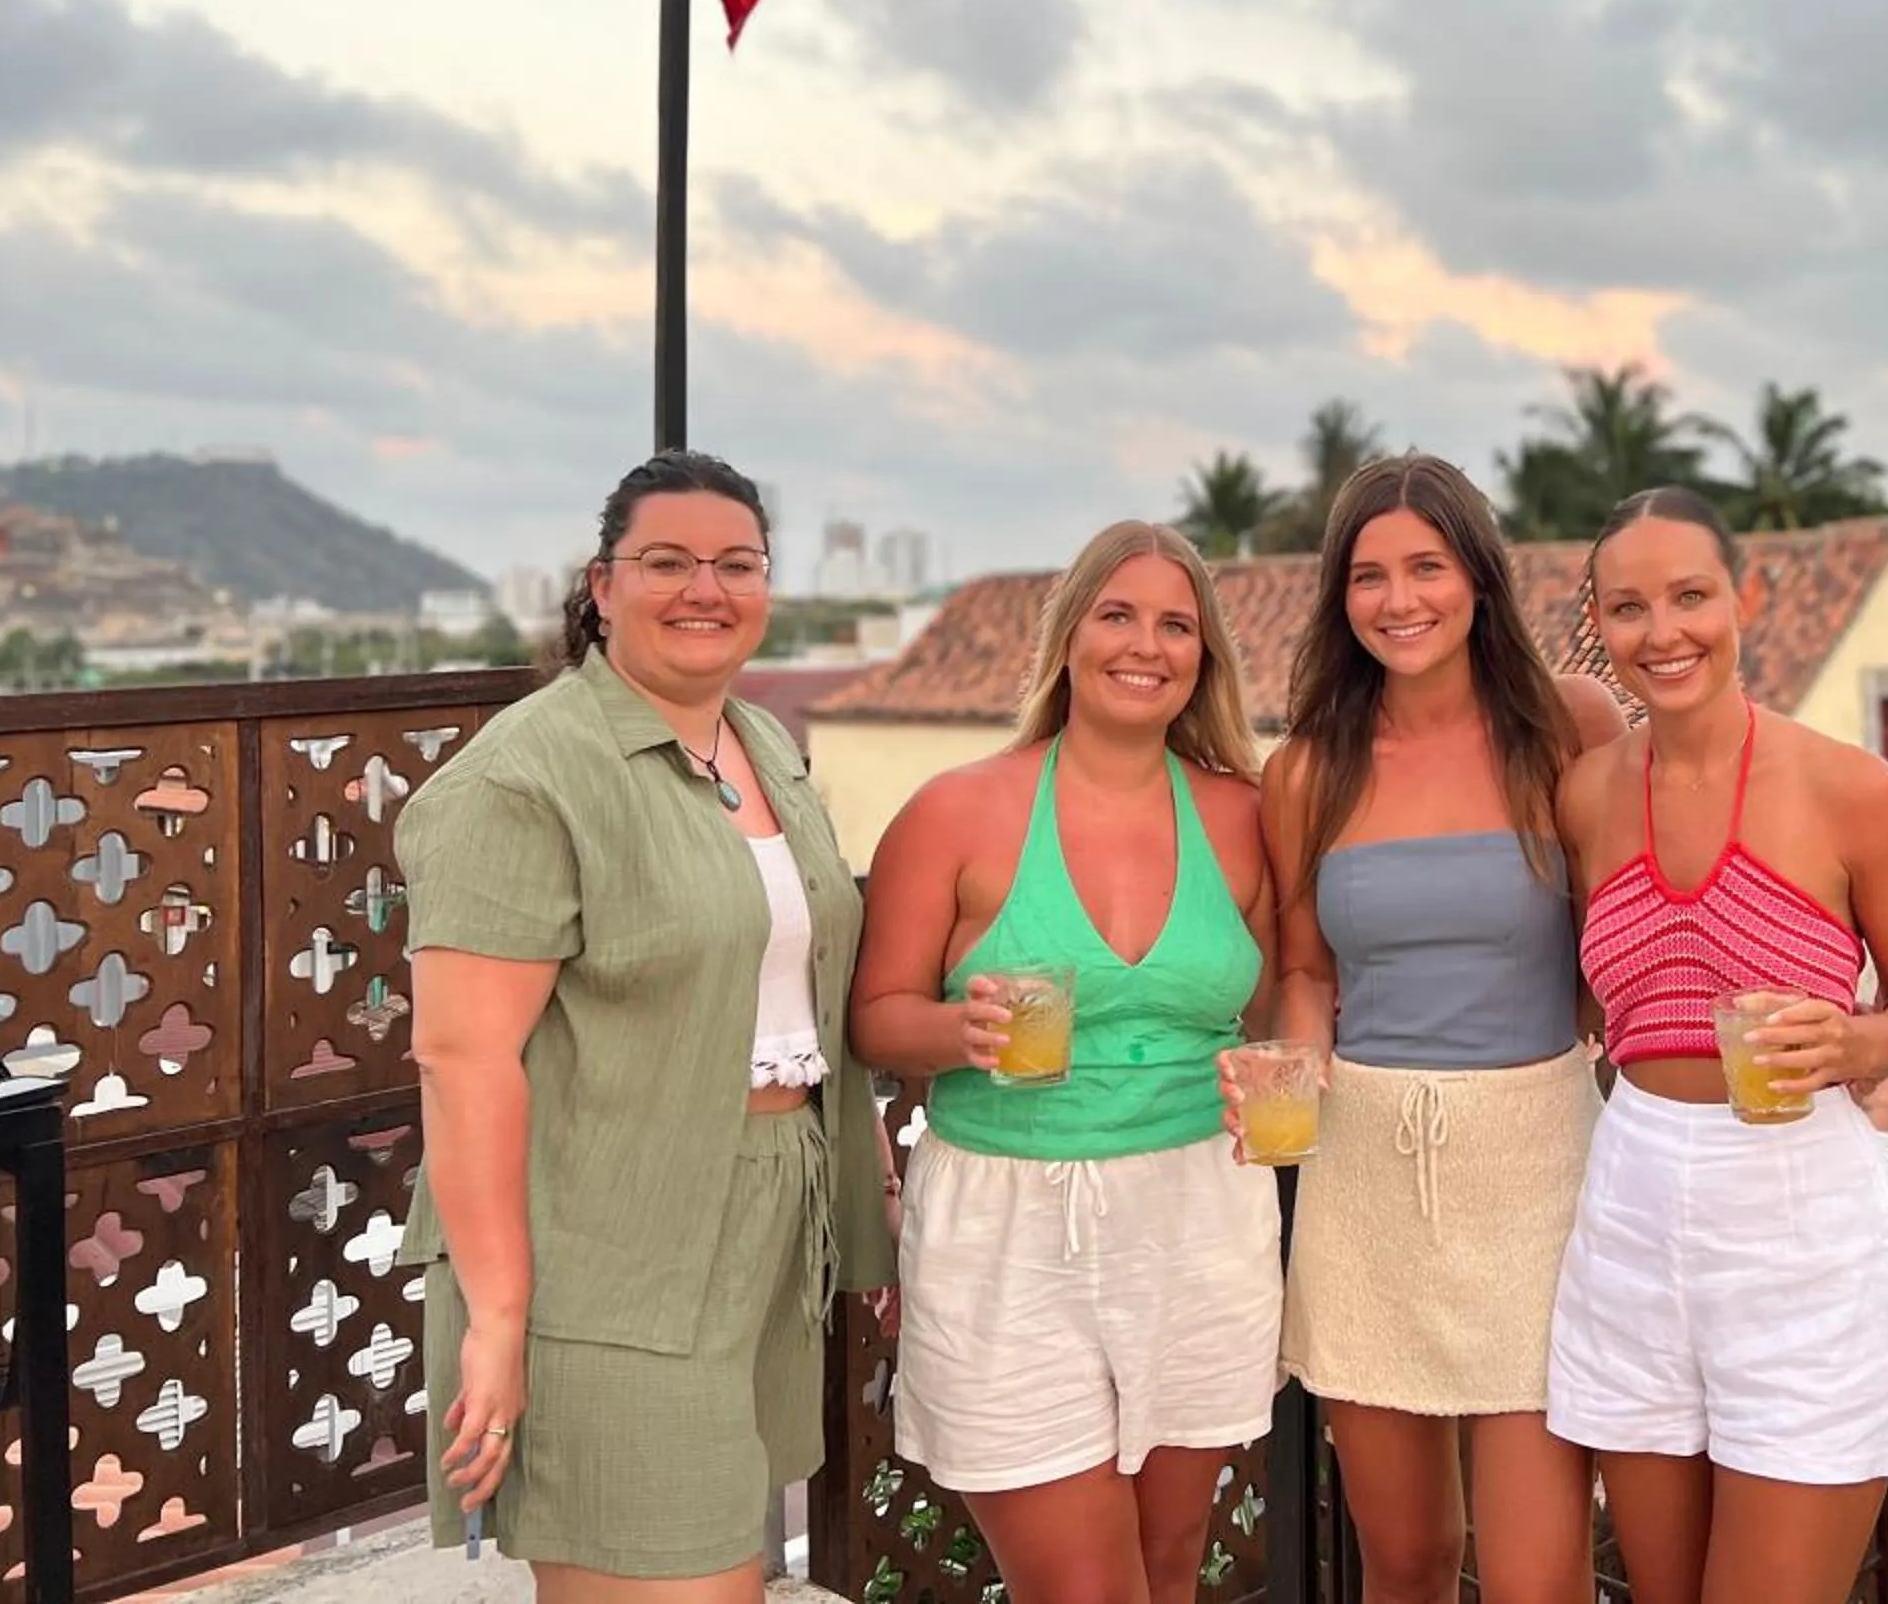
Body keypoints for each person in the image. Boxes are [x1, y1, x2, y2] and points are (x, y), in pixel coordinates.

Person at [399, 449, 896, 1599]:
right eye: (666, 562)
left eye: (736, 564)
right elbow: (462, 1058)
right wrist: (499, 1317)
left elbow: (795, 976)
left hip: (768, 1222)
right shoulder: (521, 782)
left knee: (731, 1571)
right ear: (601, 584)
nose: (703, 590)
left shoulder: (761, 745)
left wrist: (859, 1170)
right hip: (607, 1253)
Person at [1545, 485, 1888, 1604]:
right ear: (1599, 621)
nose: (1662, 632)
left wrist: (1855, 1044)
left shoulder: (1853, 788)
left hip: (1800, 1222)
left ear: (1749, 597)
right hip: (1630, 1203)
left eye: (1691, 596)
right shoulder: (1582, 796)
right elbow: (1585, 1002)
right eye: (1629, 607)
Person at [850, 520, 1278, 1604]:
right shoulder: (958, 809)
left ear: (1205, 655)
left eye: (1176, 624)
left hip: (1199, 1214)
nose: (1147, 645)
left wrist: (1286, 1067)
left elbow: (1280, 1005)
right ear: (1070, 636)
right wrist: (960, 1033)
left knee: (1171, 1567)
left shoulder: (1245, 817)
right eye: (1118, 614)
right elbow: (875, 1019)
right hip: (1008, 1227)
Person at [1255, 453, 1627, 1604]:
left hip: (1539, 1165)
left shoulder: (1571, 722)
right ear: (1339, 596)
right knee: (1406, 1560)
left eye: (1426, 566)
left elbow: (1627, 924)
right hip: (1367, 1169)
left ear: (1478, 577)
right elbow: (1306, 971)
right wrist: (1301, 1059)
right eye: (1370, 575)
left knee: (1534, 1576)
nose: (1399, 599)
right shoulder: (1307, 769)